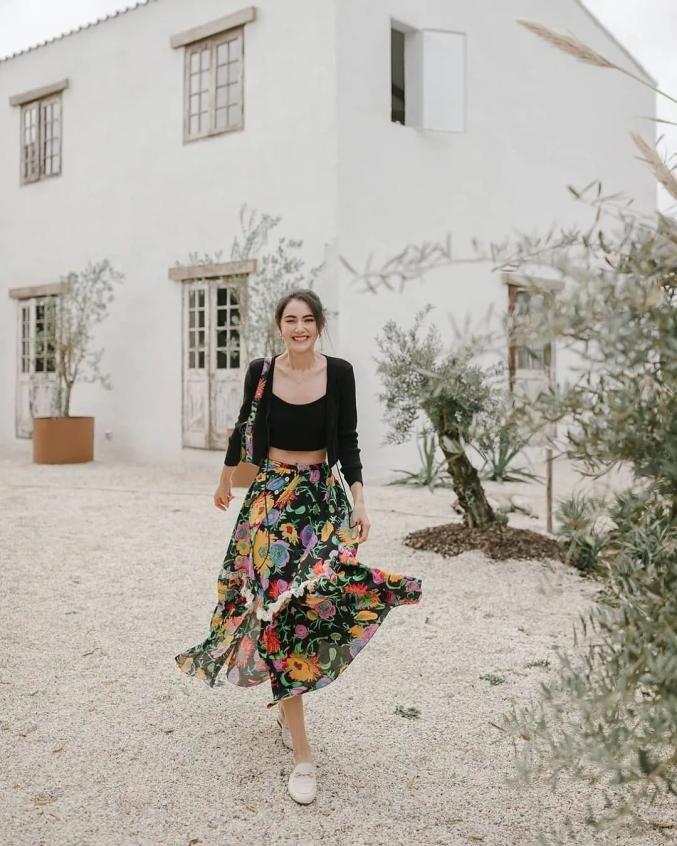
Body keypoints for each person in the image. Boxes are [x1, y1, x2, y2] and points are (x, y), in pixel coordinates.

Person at [175, 288, 423, 805]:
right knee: (279, 613)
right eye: (290, 319)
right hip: (270, 501)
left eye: (308, 319)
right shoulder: (263, 372)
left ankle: (290, 701)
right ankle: (303, 756)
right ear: (279, 325)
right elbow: (244, 428)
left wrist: (360, 501)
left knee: (322, 599)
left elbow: (348, 441)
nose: (300, 327)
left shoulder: (340, 374)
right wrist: (224, 480)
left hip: (321, 499)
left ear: (320, 325)